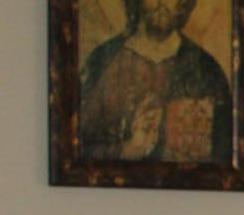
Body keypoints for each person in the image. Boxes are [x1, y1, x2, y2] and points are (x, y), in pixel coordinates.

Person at [79, 0, 232, 162]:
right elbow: (76, 147)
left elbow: (223, 156)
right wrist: (125, 151)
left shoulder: (208, 71)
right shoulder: (103, 61)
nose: (162, 3)